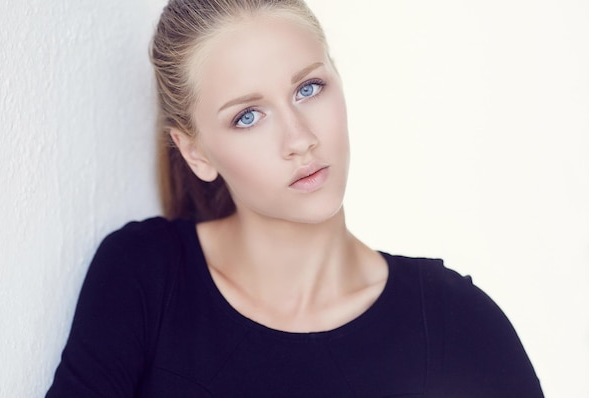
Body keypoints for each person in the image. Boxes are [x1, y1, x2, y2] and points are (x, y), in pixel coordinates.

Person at [46, 0, 544, 396]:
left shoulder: (455, 322)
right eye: (248, 116)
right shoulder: (144, 275)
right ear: (195, 152)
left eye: (309, 88)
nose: (300, 138)